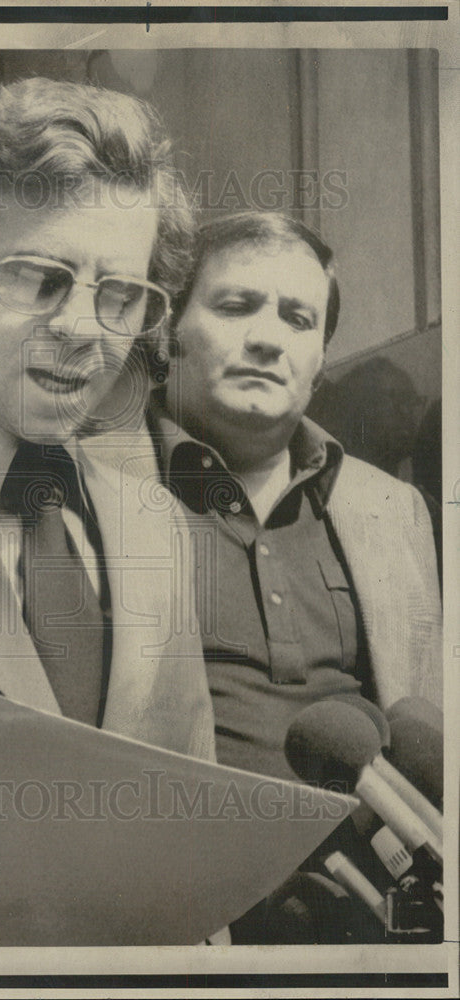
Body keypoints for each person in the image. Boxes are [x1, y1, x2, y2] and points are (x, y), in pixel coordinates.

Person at [0, 77, 215, 945]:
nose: (86, 330)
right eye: (38, 279)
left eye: (121, 295)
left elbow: (198, 829)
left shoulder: (154, 525)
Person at [141, 212, 442, 941]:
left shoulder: (391, 507)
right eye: (236, 306)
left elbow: (427, 718)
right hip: (189, 921)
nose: (269, 339)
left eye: (298, 319)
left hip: (376, 917)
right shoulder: (89, 482)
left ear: (318, 356)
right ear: (168, 331)